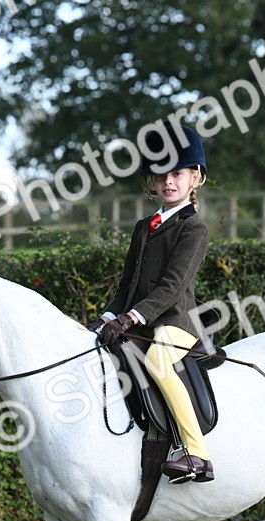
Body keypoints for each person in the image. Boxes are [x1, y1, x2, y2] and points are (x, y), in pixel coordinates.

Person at [88, 125, 214, 483]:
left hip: (176, 322)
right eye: (160, 175)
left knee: (159, 359)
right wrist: (108, 317)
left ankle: (196, 452)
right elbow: (127, 283)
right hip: (137, 320)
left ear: (195, 177)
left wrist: (130, 318)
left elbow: (174, 286)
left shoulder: (195, 229)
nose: (168, 182)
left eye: (177, 174)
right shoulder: (144, 226)